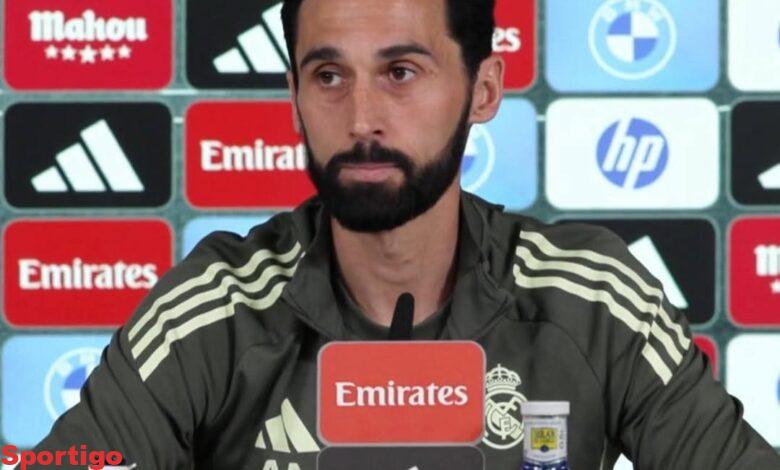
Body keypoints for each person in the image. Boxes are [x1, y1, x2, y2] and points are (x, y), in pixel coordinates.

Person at [25, 0, 780, 468]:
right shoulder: (212, 311)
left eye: (401, 73)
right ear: (293, 97)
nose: (361, 120)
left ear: (483, 89)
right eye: (328, 76)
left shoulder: (592, 299)